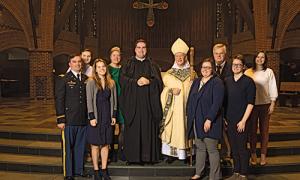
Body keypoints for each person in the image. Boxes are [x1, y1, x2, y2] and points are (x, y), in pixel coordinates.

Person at [119, 39, 163, 164]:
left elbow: (159, 83)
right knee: (133, 130)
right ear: (135, 49)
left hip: (149, 105)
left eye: (143, 47)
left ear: (146, 49)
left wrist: (150, 81)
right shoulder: (128, 64)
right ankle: (133, 158)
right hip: (133, 105)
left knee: (148, 129)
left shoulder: (152, 64)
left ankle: (148, 157)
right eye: (139, 47)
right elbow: (122, 80)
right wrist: (135, 82)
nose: (141, 50)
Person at [187, 58, 224, 180]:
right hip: (196, 121)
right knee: (200, 148)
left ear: (212, 69)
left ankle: (215, 177)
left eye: (208, 67)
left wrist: (209, 119)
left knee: (212, 149)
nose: (205, 70)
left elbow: (217, 103)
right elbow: (191, 99)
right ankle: (199, 172)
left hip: (209, 121)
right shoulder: (197, 81)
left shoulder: (217, 82)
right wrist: (190, 115)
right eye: (203, 67)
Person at [55, 55, 88, 180]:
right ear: (69, 64)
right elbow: (59, 99)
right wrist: (60, 119)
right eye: (74, 62)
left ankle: (79, 171)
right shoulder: (63, 79)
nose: (77, 64)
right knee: (68, 149)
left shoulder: (86, 79)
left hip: (82, 119)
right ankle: (68, 174)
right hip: (68, 120)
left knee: (80, 147)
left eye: (79, 62)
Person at [160, 38, 193, 162]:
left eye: (182, 56)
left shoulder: (192, 73)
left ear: (186, 57)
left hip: (187, 109)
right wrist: (170, 92)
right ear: (174, 57)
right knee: (173, 130)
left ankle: (186, 154)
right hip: (173, 111)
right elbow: (163, 92)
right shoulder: (168, 74)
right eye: (177, 56)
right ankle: (171, 154)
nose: (180, 59)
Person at [224, 54, 256, 180]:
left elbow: (250, 103)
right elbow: (225, 101)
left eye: (238, 65)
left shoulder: (248, 82)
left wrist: (243, 120)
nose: (236, 67)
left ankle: (243, 174)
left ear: (243, 67)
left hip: (243, 120)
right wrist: (225, 118)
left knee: (242, 148)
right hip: (230, 119)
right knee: (234, 148)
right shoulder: (227, 81)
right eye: (234, 65)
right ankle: (236, 172)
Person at [245, 51, 278, 166]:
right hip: (252, 105)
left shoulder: (269, 72)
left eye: (262, 57)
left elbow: (273, 87)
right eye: (258, 57)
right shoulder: (248, 72)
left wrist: (273, 103)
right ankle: (253, 154)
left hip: (265, 105)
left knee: (264, 131)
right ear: (254, 58)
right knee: (252, 131)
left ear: (265, 59)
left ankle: (263, 155)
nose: (260, 59)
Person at [86, 58, 117, 180]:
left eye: (103, 66)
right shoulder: (91, 81)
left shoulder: (111, 82)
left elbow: (114, 101)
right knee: (95, 145)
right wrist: (91, 117)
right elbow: (89, 100)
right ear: (95, 69)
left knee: (105, 144)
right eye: (99, 67)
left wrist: (113, 115)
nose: (101, 69)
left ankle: (104, 169)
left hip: (107, 117)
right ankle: (96, 170)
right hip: (96, 117)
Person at [212, 43, 232, 164]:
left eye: (221, 54)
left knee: (227, 131)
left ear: (225, 54)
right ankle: (215, 155)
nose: (218, 56)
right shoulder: (209, 66)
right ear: (213, 54)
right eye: (216, 54)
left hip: (228, 104)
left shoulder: (231, 67)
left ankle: (227, 154)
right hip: (213, 104)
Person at [108, 46, 125, 161]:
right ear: (110, 57)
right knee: (110, 128)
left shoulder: (124, 69)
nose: (116, 57)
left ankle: (120, 151)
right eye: (114, 55)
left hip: (123, 101)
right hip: (110, 101)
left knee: (123, 128)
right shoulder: (107, 68)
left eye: (118, 55)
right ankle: (110, 152)